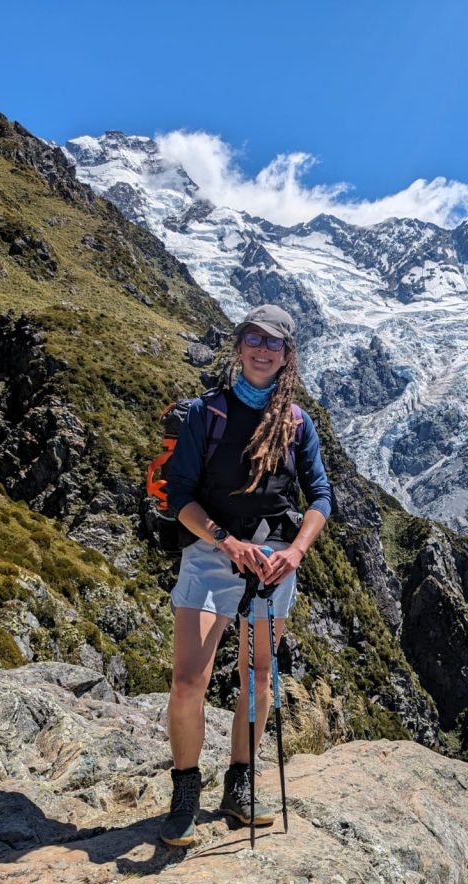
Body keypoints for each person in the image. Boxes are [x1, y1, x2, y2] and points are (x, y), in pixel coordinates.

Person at [159, 304, 332, 846]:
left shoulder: (298, 423)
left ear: (287, 355)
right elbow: (179, 498)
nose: (262, 349)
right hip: (214, 553)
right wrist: (225, 540)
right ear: (239, 347)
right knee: (190, 680)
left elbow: (321, 495)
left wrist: (297, 552)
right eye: (253, 338)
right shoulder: (205, 414)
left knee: (257, 678)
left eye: (273, 343)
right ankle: (185, 792)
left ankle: (239, 785)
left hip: (274, 561)